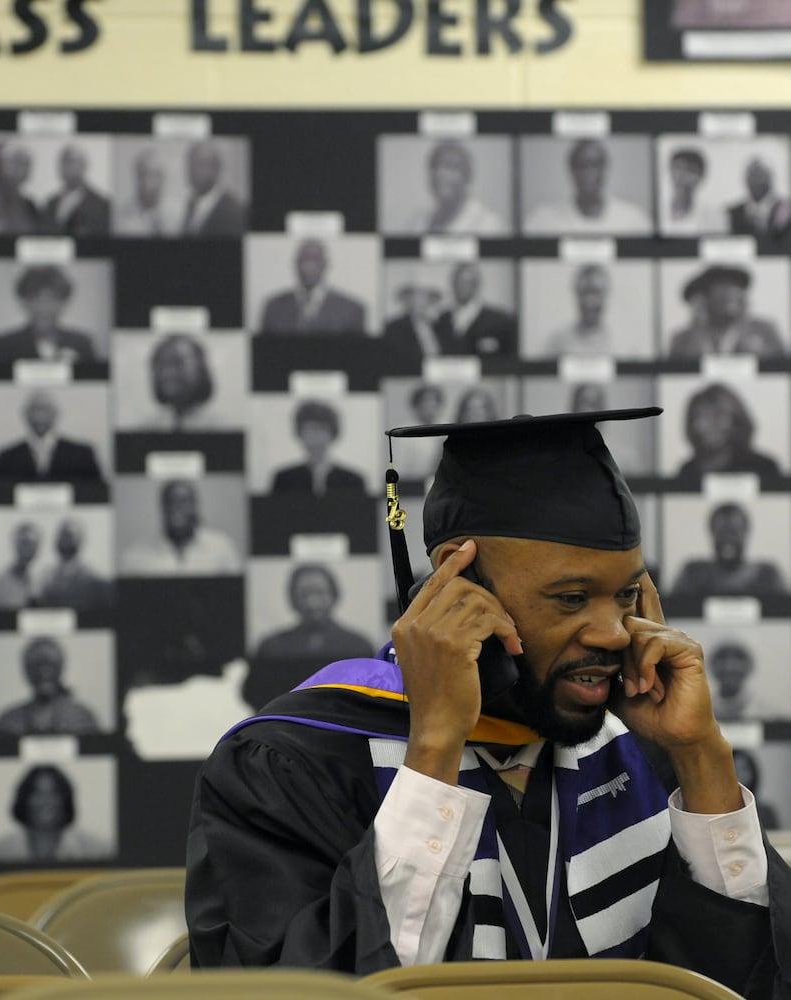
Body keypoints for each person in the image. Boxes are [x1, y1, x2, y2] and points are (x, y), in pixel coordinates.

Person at [187, 407, 790, 999]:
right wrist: (435, 748)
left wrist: (701, 755)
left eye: (627, 593)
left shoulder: (643, 756)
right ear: (459, 582)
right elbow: (289, 989)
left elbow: (742, 983)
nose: (613, 632)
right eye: (572, 598)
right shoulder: (293, 762)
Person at [244, 562, 375, 710]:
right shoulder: (271, 646)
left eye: (319, 592)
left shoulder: (358, 645)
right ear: (292, 599)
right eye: (304, 594)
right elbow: (254, 695)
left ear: (334, 595)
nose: (312, 602)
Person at [0, 765, 110, 861]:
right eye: (37, 793)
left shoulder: (95, 851)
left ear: (65, 800)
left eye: (54, 793)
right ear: (24, 800)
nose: (46, 801)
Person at [525, 138, 651, 235]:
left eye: (595, 164)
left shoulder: (634, 220)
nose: (588, 173)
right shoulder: (542, 221)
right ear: (571, 171)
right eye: (582, 165)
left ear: (604, 170)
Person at [121, 478, 240, 576]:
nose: (176, 507)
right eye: (170, 501)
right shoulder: (134, 556)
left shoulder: (222, 547)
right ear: (162, 507)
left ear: (195, 506)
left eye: (183, 501)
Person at [670, 501, 788, 600]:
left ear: (745, 533)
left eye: (734, 532)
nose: (728, 539)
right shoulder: (693, 575)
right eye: (722, 532)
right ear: (712, 533)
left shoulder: (768, 576)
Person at [0, 265, 98, 362]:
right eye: (36, 298)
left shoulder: (82, 343)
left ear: (63, 302)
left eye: (52, 298)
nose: (44, 307)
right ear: (25, 302)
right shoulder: (4, 345)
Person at [675, 382, 782, 485]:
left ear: (737, 420)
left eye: (718, 416)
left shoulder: (763, 467)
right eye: (702, 416)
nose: (710, 425)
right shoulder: (688, 471)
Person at [667, 266, 784, 358]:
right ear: (704, 298)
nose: (731, 292)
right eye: (721, 287)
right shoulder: (682, 339)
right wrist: (698, 329)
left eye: (736, 287)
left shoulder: (765, 331)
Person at [0, 636, 100, 736]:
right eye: (36, 666)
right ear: (26, 671)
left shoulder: (81, 718)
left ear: (60, 668)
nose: (44, 673)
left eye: (51, 665)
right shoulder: (9, 722)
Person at [0, 390, 103, 482]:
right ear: (25, 415)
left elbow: (98, 496)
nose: (40, 415)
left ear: (55, 413)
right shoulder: (6, 458)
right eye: (35, 409)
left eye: (45, 409)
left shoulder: (83, 455)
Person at [259, 239, 366, 334]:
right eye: (304, 260)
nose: (308, 266)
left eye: (314, 259)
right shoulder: (274, 308)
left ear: (325, 264)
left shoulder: (352, 311)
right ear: (295, 265)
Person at [269, 399, 367, 497]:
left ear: (332, 433)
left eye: (320, 429)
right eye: (309, 430)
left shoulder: (353, 481)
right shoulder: (283, 479)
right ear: (300, 434)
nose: (315, 437)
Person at [405, 141, 505, 235]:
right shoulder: (418, 221)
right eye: (434, 166)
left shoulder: (489, 224)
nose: (440, 174)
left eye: (451, 167)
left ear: (467, 176)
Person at [432, 261, 517, 357]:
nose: (461, 287)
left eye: (467, 282)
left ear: (476, 285)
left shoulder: (500, 320)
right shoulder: (441, 320)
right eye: (457, 282)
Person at [35, 517, 112, 611]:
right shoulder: (45, 577)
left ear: (80, 540)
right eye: (61, 535)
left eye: (68, 535)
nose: (63, 540)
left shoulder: (93, 579)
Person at [542, 264, 615, 356]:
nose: (590, 302)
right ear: (576, 295)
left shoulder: (621, 347)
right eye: (585, 292)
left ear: (606, 295)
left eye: (596, 292)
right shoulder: (556, 344)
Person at [147, 333, 216, 431]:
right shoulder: (148, 428)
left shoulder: (225, 428)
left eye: (178, 363)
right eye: (162, 365)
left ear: (201, 369)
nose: (168, 374)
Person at [41, 142, 110, 236]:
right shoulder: (50, 203)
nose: (65, 166)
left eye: (70, 161)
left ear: (84, 166)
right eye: (63, 161)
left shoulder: (101, 205)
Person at [180, 140, 246, 236]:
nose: (192, 170)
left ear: (216, 168)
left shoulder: (233, 210)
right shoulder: (191, 203)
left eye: (200, 164)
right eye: (190, 164)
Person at [383, 276, 445, 368]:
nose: (421, 301)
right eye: (416, 296)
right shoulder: (394, 327)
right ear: (407, 300)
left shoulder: (439, 325)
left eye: (426, 296)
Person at [660, 147, 724, 235]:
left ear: (700, 177)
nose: (681, 176)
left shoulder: (714, 215)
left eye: (689, 170)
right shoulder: (658, 209)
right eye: (677, 168)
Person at [727, 156, 791, 244]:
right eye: (753, 175)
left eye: (762, 175)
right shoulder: (733, 213)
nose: (757, 180)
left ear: (771, 178)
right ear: (746, 179)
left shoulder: (786, 209)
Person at [0, 521, 43, 610]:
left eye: (34, 544)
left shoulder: (40, 583)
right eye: (25, 543)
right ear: (15, 544)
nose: (30, 548)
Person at [114, 146, 175, 235]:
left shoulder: (179, 215)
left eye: (156, 175)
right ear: (136, 178)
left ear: (163, 178)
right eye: (143, 175)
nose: (149, 183)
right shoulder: (120, 218)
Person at [706, 641, 765, 721]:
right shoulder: (698, 713)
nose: (729, 667)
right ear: (712, 666)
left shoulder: (768, 714)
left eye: (739, 658)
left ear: (749, 666)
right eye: (722, 658)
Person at [732, 749, 781, 831]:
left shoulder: (765, 813)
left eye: (744, 769)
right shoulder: (716, 812)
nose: (740, 775)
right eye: (734, 770)